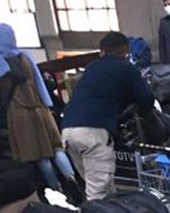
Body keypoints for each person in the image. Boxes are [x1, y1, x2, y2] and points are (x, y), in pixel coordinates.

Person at [59, 31, 154, 202]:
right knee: (97, 196)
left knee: (105, 189)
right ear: (126, 52)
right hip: (92, 134)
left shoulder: (91, 68)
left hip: (67, 131)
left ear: (102, 50)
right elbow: (146, 100)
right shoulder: (126, 68)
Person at [0, 23, 77, 195]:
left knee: (40, 155)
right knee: (56, 149)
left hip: (19, 113)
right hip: (41, 109)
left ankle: (57, 191)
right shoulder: (26, 57)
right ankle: (72, 180)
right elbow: (40, 83)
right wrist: (48, 105)